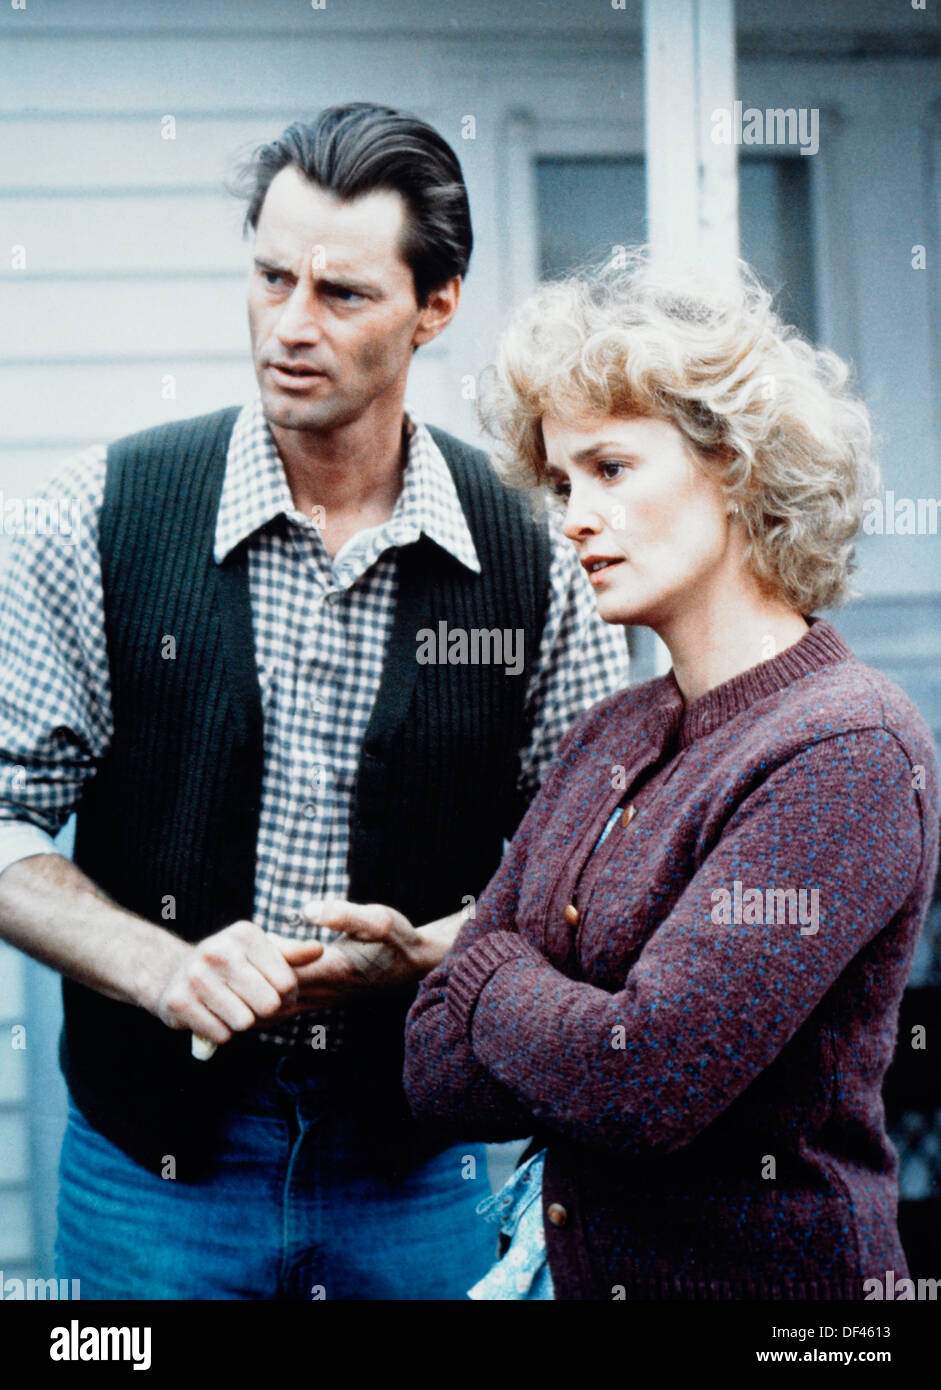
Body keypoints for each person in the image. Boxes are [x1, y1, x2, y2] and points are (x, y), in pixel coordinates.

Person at [0, 103, 629, 1301]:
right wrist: (160, 966)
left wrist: (437, 954)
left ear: (434, 307)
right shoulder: (102, 512)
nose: (290, 325)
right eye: (270, 276)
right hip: (151, 1171)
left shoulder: (535, 555)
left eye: (341, 294)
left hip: (420, 1169)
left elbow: (595, 878)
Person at [402, 252, 940, 1300]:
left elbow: (639, 1079)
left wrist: (482, 970)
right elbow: (431, 1071)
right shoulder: (614, 730)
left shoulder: (845, 746)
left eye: (609, 469)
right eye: (561, 483)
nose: (571, 518)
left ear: (734, 466)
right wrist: (559, 1007)